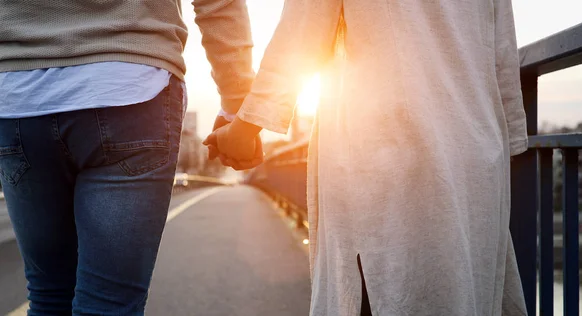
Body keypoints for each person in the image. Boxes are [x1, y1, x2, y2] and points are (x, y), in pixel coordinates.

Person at [206, 0, 530, 315]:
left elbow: (303, 30)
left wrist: (243, 129)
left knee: (386, 288)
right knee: (459, 292)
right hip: (476, 153)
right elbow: (503, 51)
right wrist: (509, 138)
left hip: (389, 153)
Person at [0, 0, 256, 314]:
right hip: (130, 84)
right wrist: (237, 104)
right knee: (109, 304)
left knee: (48, 296)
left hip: (16, 95)